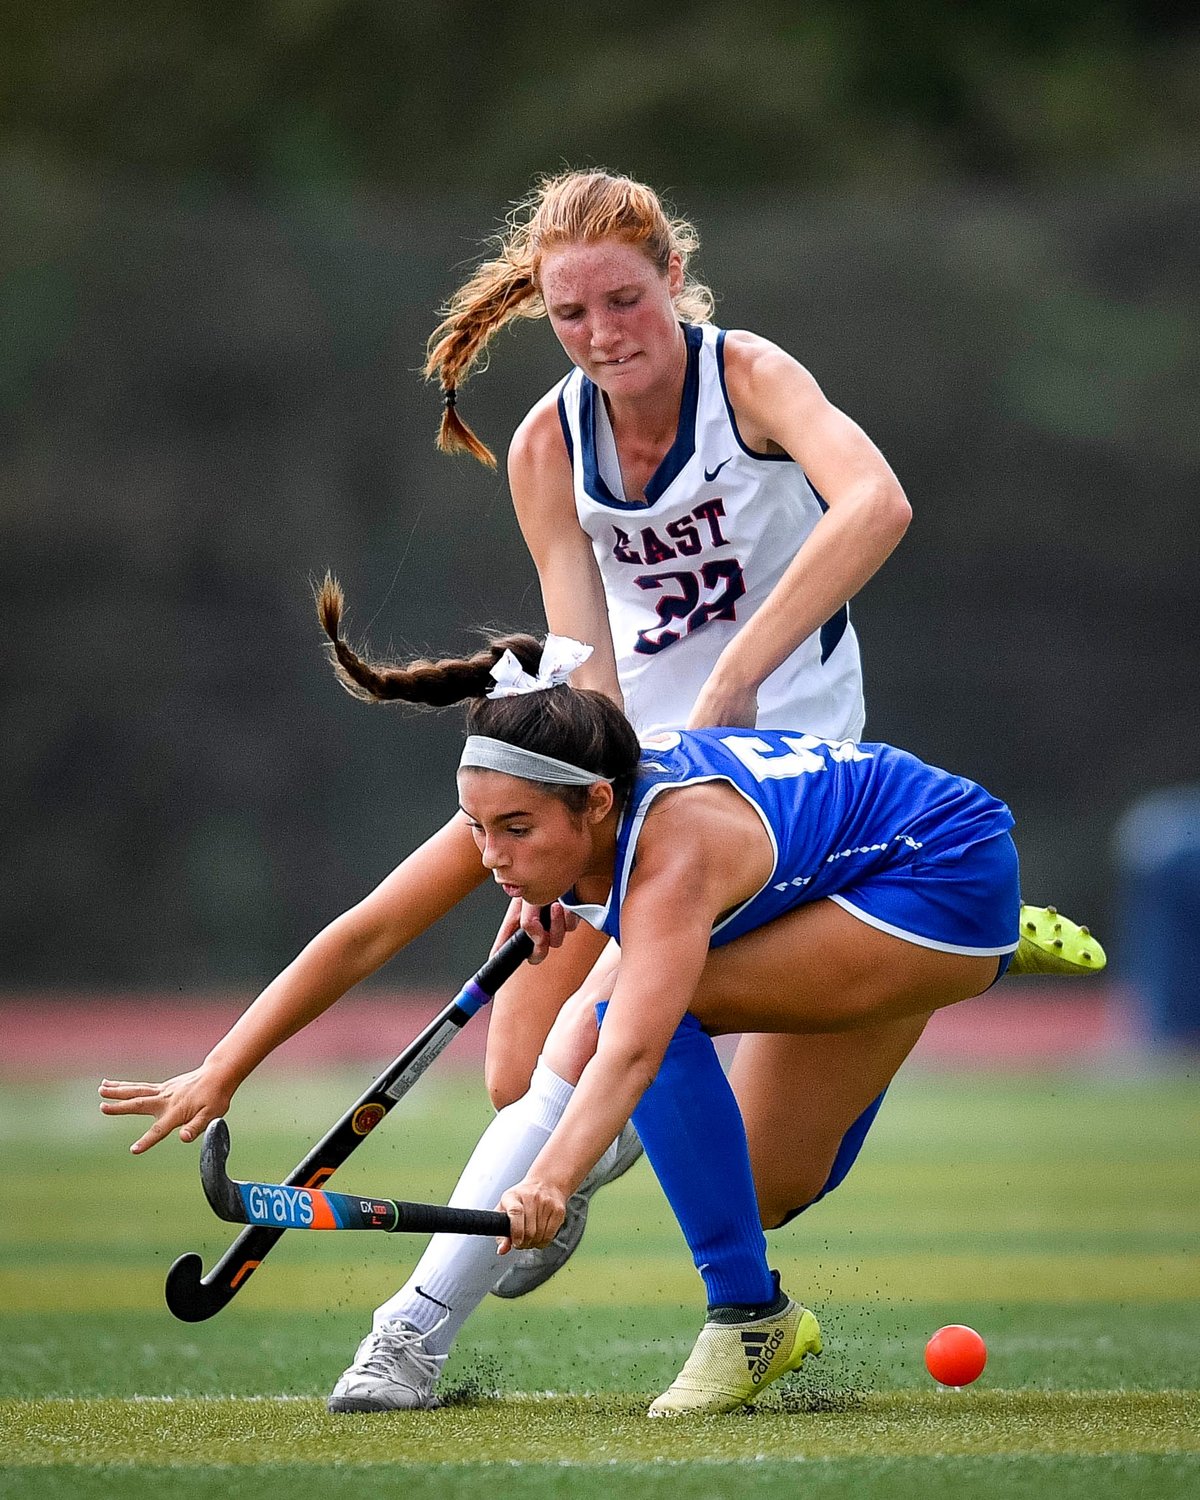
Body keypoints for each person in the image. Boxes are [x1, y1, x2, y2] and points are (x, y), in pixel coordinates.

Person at [99, 588, 1106, 1416]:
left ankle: (731, 1319)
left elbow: (633, 1048)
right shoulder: (529, 792)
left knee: (628, 1022)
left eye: (517, 834)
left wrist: (556, 1176)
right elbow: (366, 931)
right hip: (837, 879)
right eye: (477, 826)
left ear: (598, 807)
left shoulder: (671, 852)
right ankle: (448, 1321)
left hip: (942, 875)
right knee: (759, 1189)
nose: (492, 854)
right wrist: (224, 1065)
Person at [419, 167, 1102, 1297]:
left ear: (674, 278)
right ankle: (571, 1168)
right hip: (644, 776)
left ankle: (953, 927)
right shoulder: (547, 447)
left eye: (626, 301)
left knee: (740, 1152)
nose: (603, 335)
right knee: (516, 1082)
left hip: (793, 781)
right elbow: (582, 661)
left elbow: (876, 503)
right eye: (573, 313)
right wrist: (566, 845)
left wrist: (737, 679)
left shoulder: (751, 379)